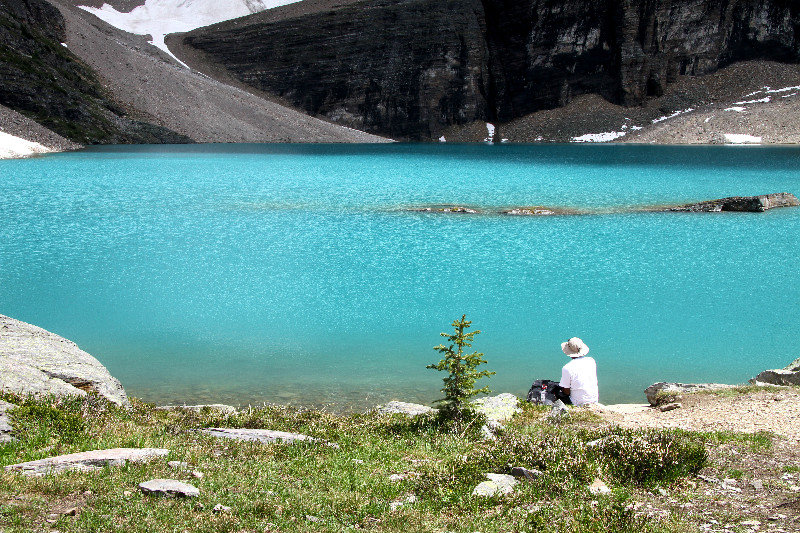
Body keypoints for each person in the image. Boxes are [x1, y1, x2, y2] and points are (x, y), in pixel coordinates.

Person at [558, 337, 598, 406]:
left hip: (578, 403)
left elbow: (566, 392)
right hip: (594, 400)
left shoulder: (567, 368)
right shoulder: (591, 361)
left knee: (557, 390)